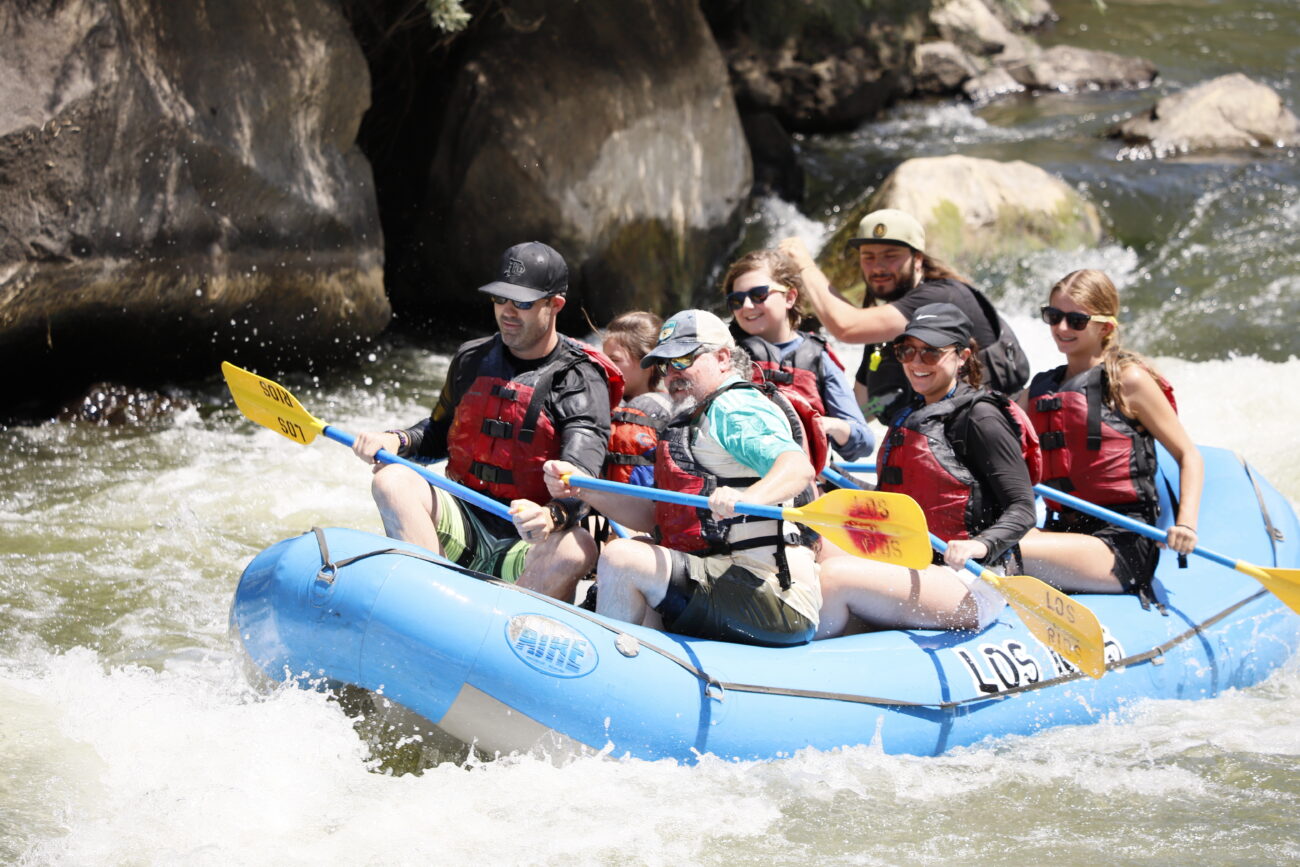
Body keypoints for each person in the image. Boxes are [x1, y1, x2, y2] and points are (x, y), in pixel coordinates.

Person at [350, 241, 621, 601]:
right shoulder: (472, 359)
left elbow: (583, 476)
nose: (507, 312)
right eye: (500, 299)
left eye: (522, 303)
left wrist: (553, 516)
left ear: (554, 305)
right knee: (393, 480)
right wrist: (395, 440)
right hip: (465, 519)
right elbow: (437, 434)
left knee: (577, 547)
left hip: (529, 539)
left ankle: (506, 628)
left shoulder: (580, 378)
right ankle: (428, 600)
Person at [543, 309, 822, 646]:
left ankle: (607, 670)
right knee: (639, 549)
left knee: (623, 559)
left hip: (772, 598)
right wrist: (581, 487)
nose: (671, 374)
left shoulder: (735, 407)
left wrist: (749, 498)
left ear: (722, 358)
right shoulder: (695, 418)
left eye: (684, 359)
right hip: (725, 580)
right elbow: (652, 516)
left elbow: (796, 467)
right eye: (665, 364)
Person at [816, 304, 1037, 637]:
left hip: (970, 579)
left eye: (931, 353)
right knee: (810, 544)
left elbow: (1022, 508)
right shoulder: (912, 414)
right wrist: (826, 477)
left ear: (962, 356)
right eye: (907, 351)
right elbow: (890, 502)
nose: (916, 363)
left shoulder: (981, 419)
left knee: (834, 576)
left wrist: (979, 545)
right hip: (912, 558)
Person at [1017, 269, 1203, 604]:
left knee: (1003, 549)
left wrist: (1185, 525)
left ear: (1105, 326)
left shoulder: (1129, 381)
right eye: (1053, 316)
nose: (1061, 328)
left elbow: (1188, 455)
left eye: (1076, 320)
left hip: (1123, 540)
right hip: (1064, 529)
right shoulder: (1039, 392)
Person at [780, 209, 1028, 423]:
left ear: (917, 259)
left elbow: (846, 327)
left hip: (981, 442)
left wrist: (804, 266)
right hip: (925, 446)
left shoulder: (940, 299)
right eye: (869, 257)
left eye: (890, 256)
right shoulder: (888, 322)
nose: (878, 267)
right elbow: (862, 406)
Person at [721, 248, 875, 461]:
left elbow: (864, 442)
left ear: (790, 297)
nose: (747, 306)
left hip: (804, 483)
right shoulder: (722, 355)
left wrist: (829, 425)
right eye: (736, 300)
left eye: (758, 294)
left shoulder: (818, 357)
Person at [601, 311, 672, 486]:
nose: (604, 367)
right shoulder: (606, 403)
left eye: (614, 360)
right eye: (603, 359)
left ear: (647, 363)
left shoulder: (666, 410)